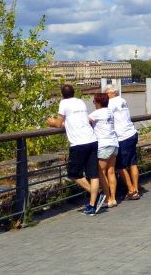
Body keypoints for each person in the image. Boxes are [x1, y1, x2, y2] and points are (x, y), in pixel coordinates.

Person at [47, 84, 103, 215]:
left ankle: (96, 194)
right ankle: (92, 205)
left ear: (62, 94)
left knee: (73, 173)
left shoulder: (64, 103)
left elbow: (58, 123)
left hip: (78, 143)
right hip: (92, 140)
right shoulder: (80, 102)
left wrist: (50, 121)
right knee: (93, 174)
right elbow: (76, 119)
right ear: (73, 92)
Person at [106, 85, 141, 200]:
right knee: (132, 163)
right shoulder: (123, 100)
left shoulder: (111, 103)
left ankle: (131, 190)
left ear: (112, 93)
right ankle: (135, 189)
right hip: (132, 133)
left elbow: (106, 117)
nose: (105, 96)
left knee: (120, 166)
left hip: (122, 136)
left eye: (106, 93)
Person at [89, 92, 119, 209]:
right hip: (114, 143)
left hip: (103, 145)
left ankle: (108, 198)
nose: (94, 104)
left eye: (94, 102)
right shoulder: (110, 112)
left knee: (100, 173)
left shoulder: (96, 113)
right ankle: (114, 198)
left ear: (99, 102)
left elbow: (85, 122)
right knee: (111, 172)